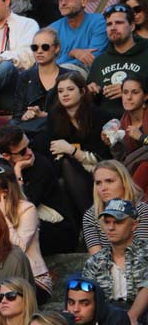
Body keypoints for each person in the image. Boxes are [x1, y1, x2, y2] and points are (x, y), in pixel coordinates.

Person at [0, 125, 79, 255]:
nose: (29, 152)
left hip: (57, 230)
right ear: (6, 155)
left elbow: (24, 206)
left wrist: (17, 172)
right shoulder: (0, 166)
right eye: (22, 151)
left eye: (29, 146)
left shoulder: (41, 166)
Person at [0, 165, 52, 303]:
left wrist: (2, 217)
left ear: (4, 193)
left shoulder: (27, 209)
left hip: (32, 279)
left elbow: (19, 248)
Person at [48, 71, 113, 223]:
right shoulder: (55, 116)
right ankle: (87, 225)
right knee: (62, 180)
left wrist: (71, 150)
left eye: (70, 89)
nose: (64, 94)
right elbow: (54, 150)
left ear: (82, 91)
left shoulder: (98, 116)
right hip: (70, 170)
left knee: (66, 170)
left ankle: (93, 224)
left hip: (99, 170)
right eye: (60, 91)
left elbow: (102, 157)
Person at [82, 198, 148, 325]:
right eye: (107, 222)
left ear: (134, 225)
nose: (111, 228)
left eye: (118, 222)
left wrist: (131, 317)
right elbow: (86, 296)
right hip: (108, 319)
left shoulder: (146, 252)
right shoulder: (95, 261)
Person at [89, 4, 148, 117]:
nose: (113, 27)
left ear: (132, 26)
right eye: (109, 24)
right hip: (105, 126)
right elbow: (93, 102)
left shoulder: (146, 54)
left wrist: (129, 92)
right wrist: (90, 91)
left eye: (119, 23)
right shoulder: (100, 61)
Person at [83, 160, 148, 254]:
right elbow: (97, 258)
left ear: (124, 182)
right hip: (106, 266)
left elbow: (142, 253)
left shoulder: (142, 210)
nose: (103, 188)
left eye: (109, 181)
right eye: (98, 183)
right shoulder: (91, 215)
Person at [47, 0, 107, 73]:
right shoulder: (52, 30)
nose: (63, 3)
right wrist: (72, 53)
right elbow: (45, 64)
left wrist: (60, 62)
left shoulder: (99, 22)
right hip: (54, 76)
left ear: (83, 1)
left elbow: (92, 59)